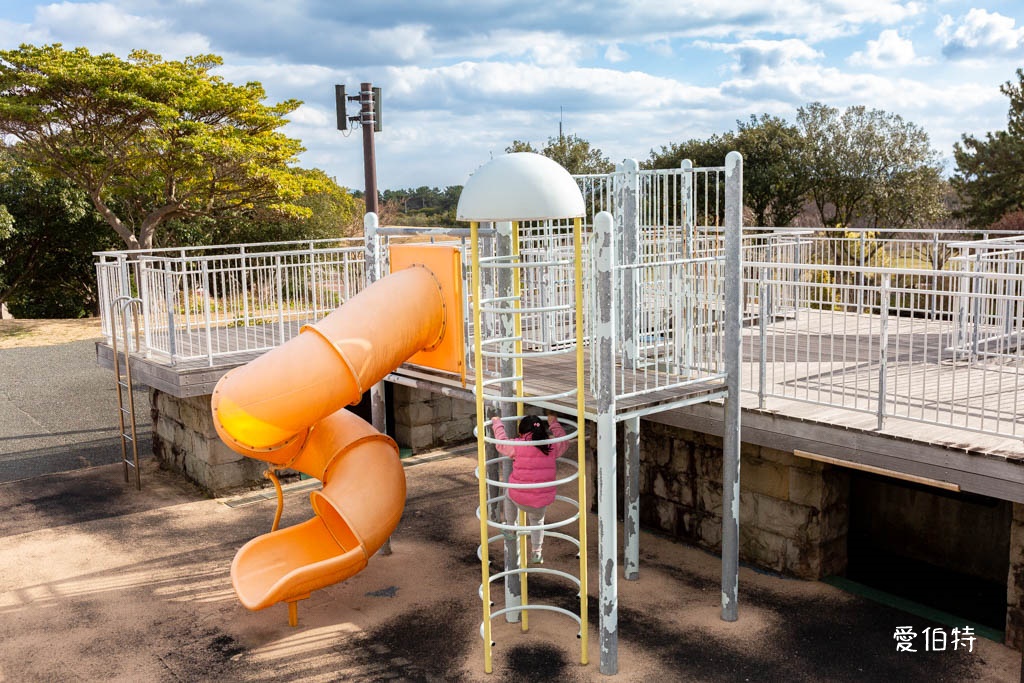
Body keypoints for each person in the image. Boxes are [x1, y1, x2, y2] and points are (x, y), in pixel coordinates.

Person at [490, 412, 569, 564]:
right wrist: (554, 424)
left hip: (519, 497)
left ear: (521, 433)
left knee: (508, 493)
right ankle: (537, 552)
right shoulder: (552, 445)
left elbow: (500, 442)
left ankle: (510, 527)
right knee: (537, 521)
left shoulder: (518, 445)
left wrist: (497, 423)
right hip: (542, 498)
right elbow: (564, 442)